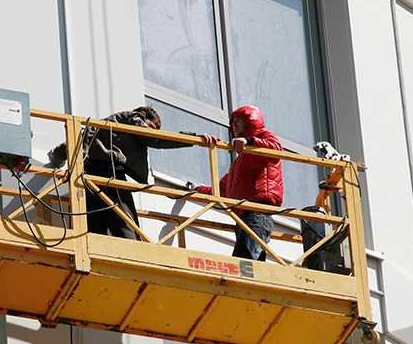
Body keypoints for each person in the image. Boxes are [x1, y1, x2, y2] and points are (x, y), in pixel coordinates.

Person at [49, 105, 213, 239]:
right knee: (127, 227)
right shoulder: (134, 118)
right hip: (109, 177)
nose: (151, 133)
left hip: (85, 178)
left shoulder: (100, 128)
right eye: (151, 127)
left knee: (93, 230)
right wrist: (192, 138)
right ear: (143, 116)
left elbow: (69, 145)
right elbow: (154, 139)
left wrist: (56, 159)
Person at [194, 105, 283, 261]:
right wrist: (196, 190)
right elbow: (220, 190)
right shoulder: (238, 163)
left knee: (244, 262)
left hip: (258, 212)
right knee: (250, 262)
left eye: (238, 120)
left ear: (250, 122)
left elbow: (276, 151)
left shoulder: (262, 137)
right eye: (232, 122)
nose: (233, 125)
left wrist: (249, 140)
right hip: (243, 216)